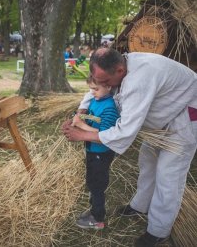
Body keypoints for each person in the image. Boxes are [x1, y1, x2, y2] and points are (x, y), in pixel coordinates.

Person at [62, 48, 197, 247]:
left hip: (185, 115)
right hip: (162, 118)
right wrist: (81, 110)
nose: (104, 85)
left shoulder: (140, 79)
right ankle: (140, 206)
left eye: (106, 82)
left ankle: (158, 231)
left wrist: (82, 134)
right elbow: (97, 86)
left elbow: (124, 131)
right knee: (147, 159)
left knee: (169, 173)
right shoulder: (120, 67)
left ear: (119, 70)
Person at [72, 76, 120, 230]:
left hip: (101, 152)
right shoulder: (96, 100)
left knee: (97, 184)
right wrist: (81, 117)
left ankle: (98, 219)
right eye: (91, 88)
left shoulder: (110, 107)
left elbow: (105, 133)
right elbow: (94, 118)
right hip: (92, 151)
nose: (92, 92)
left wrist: (81, 126)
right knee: (92, 181)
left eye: (96, 89)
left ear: (109, 87)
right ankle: (94, 209)